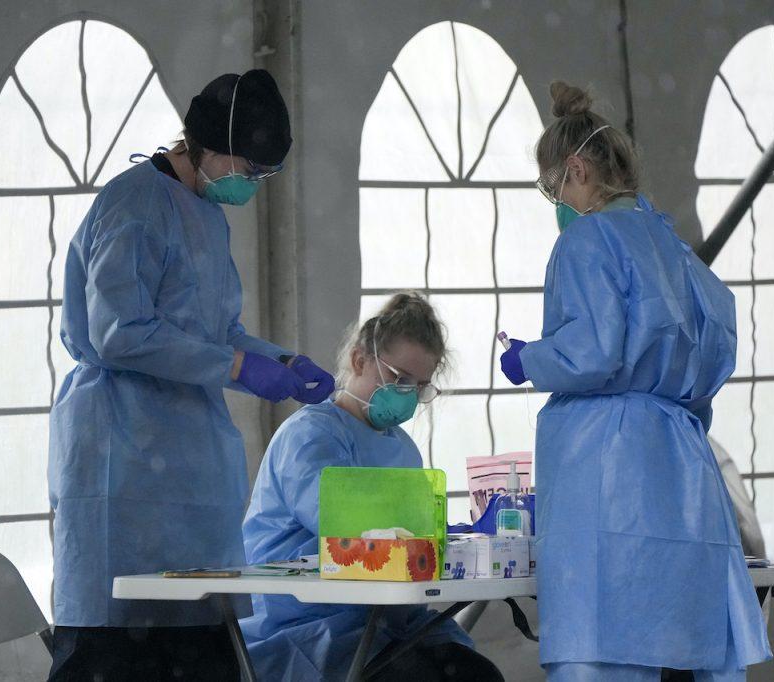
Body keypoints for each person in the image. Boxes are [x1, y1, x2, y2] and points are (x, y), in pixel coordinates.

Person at [47, 69, 335, 680]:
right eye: (249, 168)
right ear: (203, 144)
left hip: (185, 460)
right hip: (118, 449)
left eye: (265, 174)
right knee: (117, 640)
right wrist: (236, 366)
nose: (252, 183)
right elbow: (118, 331)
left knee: (200, 640)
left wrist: (278, 361)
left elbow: (216, 331)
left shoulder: (205, 213)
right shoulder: (134, 205)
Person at [498, 82, 771, 681]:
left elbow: (591, 353)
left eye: (552, 187)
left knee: (600, 642)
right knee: (677, 631)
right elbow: (716, 349)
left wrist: (530, 359)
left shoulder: (587, 240)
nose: (556, 203)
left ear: (576, 171)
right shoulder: (675, 250)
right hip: (680, 463)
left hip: (606, 457)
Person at [240, 293, 504, 681]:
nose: (407, 396)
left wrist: (456, 538)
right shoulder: (310, 437)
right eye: (399, 379)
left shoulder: (402, 447)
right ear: (359, 360)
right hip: (310, 622)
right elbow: (348, 529)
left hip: (384, 622)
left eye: (420, 387)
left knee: (477, 675)